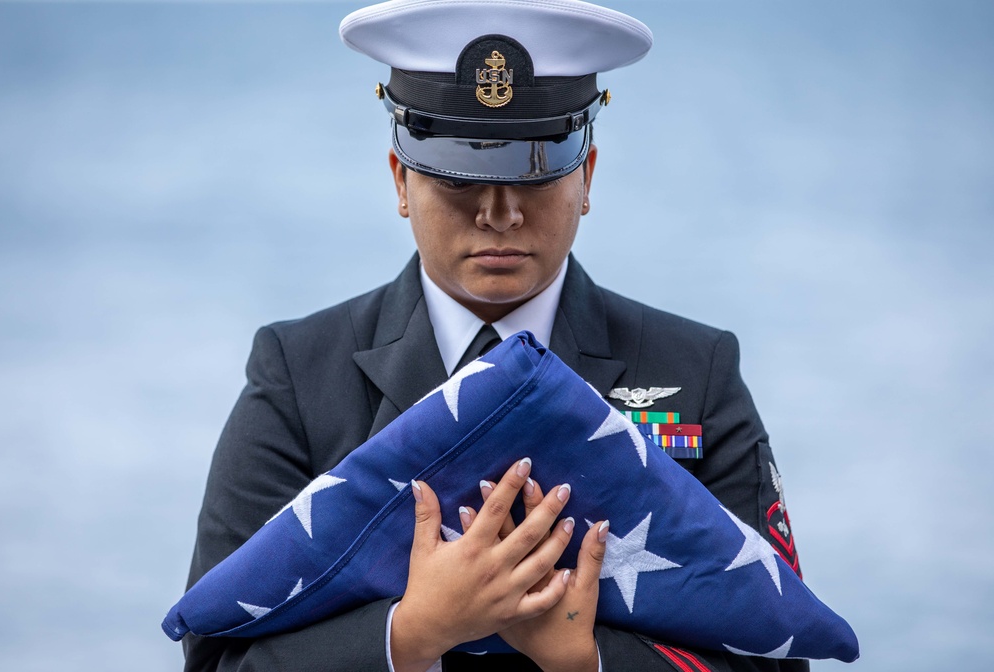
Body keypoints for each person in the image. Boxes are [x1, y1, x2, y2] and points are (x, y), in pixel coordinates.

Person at [182, 1, 808, 671]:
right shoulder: (299, 376)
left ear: (587, 176)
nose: (499, 213)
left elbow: (775, 651)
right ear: (401, 179)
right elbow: (216, 653)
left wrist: (582, 661)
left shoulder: (696, 369)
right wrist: (412, 634)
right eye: (459, 178)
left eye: (533, 173)